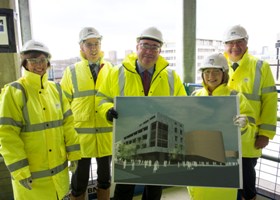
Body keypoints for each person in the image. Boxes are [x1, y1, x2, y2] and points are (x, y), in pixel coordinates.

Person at [96, 26, 187, 200]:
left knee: (154, 190)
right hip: (128, 142)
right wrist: (107, 111)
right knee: (124, 189)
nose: (149, 51)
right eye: (145, 45)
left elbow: (182, 104)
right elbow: (101, 99)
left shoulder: (171, 77)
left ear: (160, 51)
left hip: (159, 143)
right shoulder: (117, 73)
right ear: (137, 46)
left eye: (154, 47)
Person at [0, 40, 81, 200]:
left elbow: (67, 125)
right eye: (33, 60)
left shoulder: (56, 90)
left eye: (42, 60)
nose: (39, 65)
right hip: (32, 179)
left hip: (59, 176)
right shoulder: (15, 91)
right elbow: (7, 135)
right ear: (25, 63)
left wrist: (74, 154)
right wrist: (20, 171)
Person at [187, 53, 256, 200]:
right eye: (207, 71)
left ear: (224, 73)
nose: (211, 76)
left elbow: (250, 132)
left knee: (220, 193)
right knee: (198, 193)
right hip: (198, 159)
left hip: (225, 162)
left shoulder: (236, 97)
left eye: (216, 71)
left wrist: (244, 127)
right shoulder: (195, 95)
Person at [223, 25, 278, 200]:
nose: (235, 47)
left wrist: (266, 134)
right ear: (225, 45)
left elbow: (270, 102)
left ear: (247, 43)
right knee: (227, 180)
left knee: (246, 181)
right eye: (231, 43)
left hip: (250, 136)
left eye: (239, 42)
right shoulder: (220, 65)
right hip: (224, 134)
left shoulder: (260, 66)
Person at [60, 27, 113, 200]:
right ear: (81, 47)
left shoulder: (111, 69)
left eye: (96, 43)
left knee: (105, 179)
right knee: (79, 181)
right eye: (89, 44)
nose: (93, 48)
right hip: (81, 138)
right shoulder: (72, 71)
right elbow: (63, 104)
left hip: (105, 136)